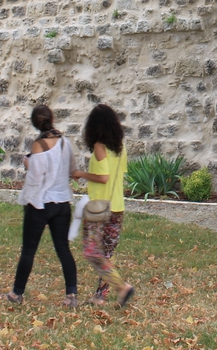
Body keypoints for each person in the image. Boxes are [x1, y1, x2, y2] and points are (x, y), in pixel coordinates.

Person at [5, 105, 79, 306]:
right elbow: (72, 170)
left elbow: (36, 178)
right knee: (63, 249)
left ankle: (16, 293)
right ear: (51, 118)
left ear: (34, 123)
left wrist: (29, 164)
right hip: (62, 201)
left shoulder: (38, 145)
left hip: (40, 203)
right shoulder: (65, 143)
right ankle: (71, 294)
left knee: (29, 250)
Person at [72, 104, 135, 308]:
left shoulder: (100, 146)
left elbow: (103, 177)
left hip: (99, 206)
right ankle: (100, 296)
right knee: (106, 253)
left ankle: (122, 286)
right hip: (117, 206)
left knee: (92, 251)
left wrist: (81, 174)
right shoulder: (121, 147)